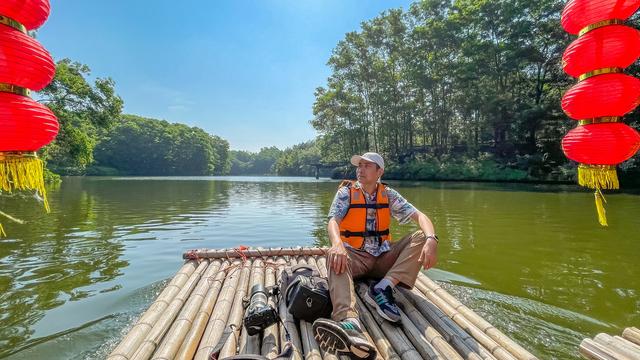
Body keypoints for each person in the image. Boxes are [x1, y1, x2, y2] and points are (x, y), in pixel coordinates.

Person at [312, 152, 438, 359]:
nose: (360, 170)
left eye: (366, 166)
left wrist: (432, 239)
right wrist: (337, 244)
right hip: (355, 257)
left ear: (380, 171)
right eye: (359, 166)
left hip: (382, 258)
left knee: (422, 236)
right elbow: (332, 221)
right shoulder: (346, 192)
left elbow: (420, 216)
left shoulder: (388, 194)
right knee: (334, 257)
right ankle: (348, 321)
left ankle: (383, 287)